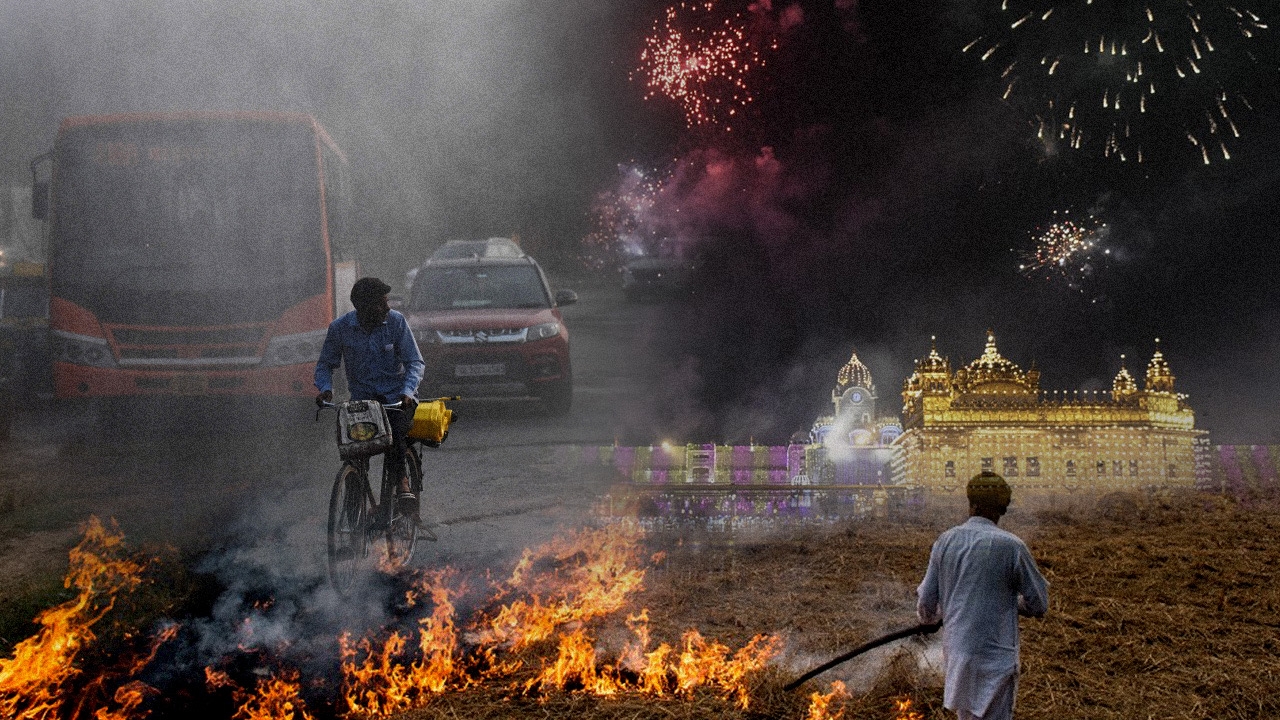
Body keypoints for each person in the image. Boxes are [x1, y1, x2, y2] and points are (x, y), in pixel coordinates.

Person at [916, 471, 1049, 720]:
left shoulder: (945, 541)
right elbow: (1039, 604)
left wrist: (929, 621)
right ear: (1001, 509)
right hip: (996, 659)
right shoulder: (1012, 546)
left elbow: (926, 602)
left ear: (972, 504)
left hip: (958, 654)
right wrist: (1012, 602)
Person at [315, 277, 426, 520]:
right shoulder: (340, 328)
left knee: (395, 435)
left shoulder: (396, 322)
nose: (387, 308)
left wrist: (408, 392)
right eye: (380, 304)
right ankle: (354, 509)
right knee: (355, 450)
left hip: (397, 400)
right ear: (362, 308)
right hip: (363, 403)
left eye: (387, 303)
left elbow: (415, 362)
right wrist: (325, 388)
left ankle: (403, 486)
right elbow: (325, 364)